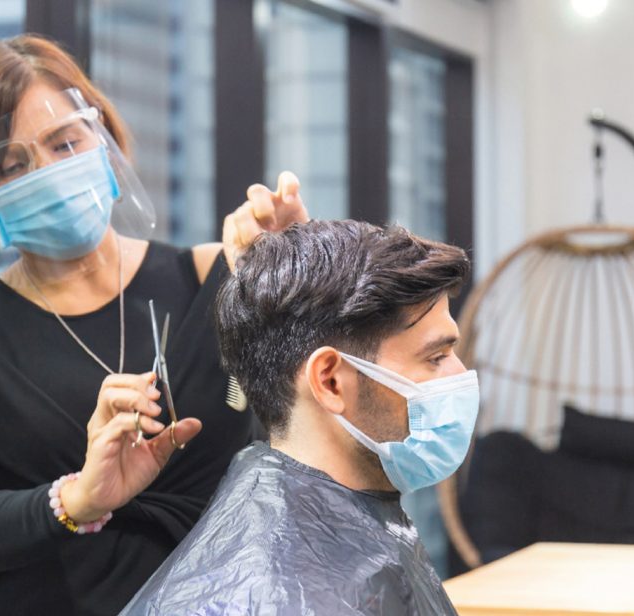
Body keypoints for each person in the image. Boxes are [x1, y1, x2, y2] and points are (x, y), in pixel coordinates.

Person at [0, 34, 307, 616]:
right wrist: (76, 500)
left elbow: (328, 404)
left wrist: (296, 273)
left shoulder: (214, 277)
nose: (49, 171)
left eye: (66, 142)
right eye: (13, 165)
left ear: (103, 135)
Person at [121, 220, 477, 615]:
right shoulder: (281, 597)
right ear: (330, 381)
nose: (460, 375)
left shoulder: (338, 533)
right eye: (435, 357)